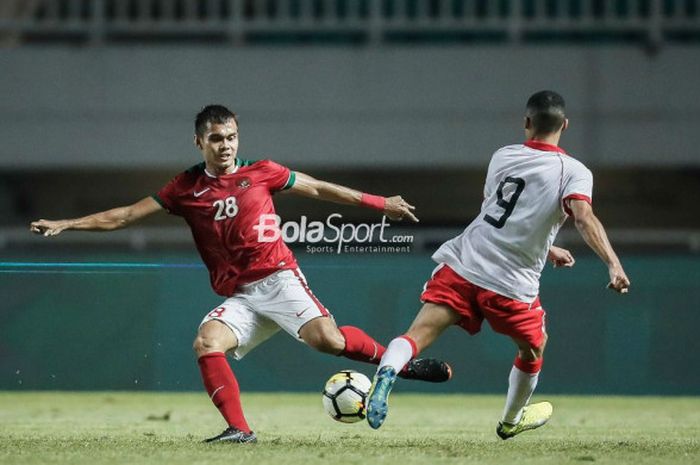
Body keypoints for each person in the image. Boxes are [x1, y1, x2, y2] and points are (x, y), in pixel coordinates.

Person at [30, 104, 451, 444]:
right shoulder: (184, 188)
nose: (226, 145)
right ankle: (240, 430)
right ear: (199, 142)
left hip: (279, 278)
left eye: (231, 137)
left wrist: (381, 203)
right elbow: (123, 216)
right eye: (216, 138)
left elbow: (319, 188)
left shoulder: (262, 171)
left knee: (330, 342)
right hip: (241, 296)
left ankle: (399, 367)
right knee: (206, 342)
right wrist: (67, 224)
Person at [365, 90, 631, 438]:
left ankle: (387, 373)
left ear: (526, 122)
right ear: (565, 125)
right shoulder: (575, 171)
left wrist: (548, 248)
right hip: (511, 282)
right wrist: (613, 263)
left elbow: (499, 212)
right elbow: (583, 218)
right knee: (534, 346)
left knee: (418, 334)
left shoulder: (503, 156)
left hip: (464, 262)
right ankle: (511, 420)